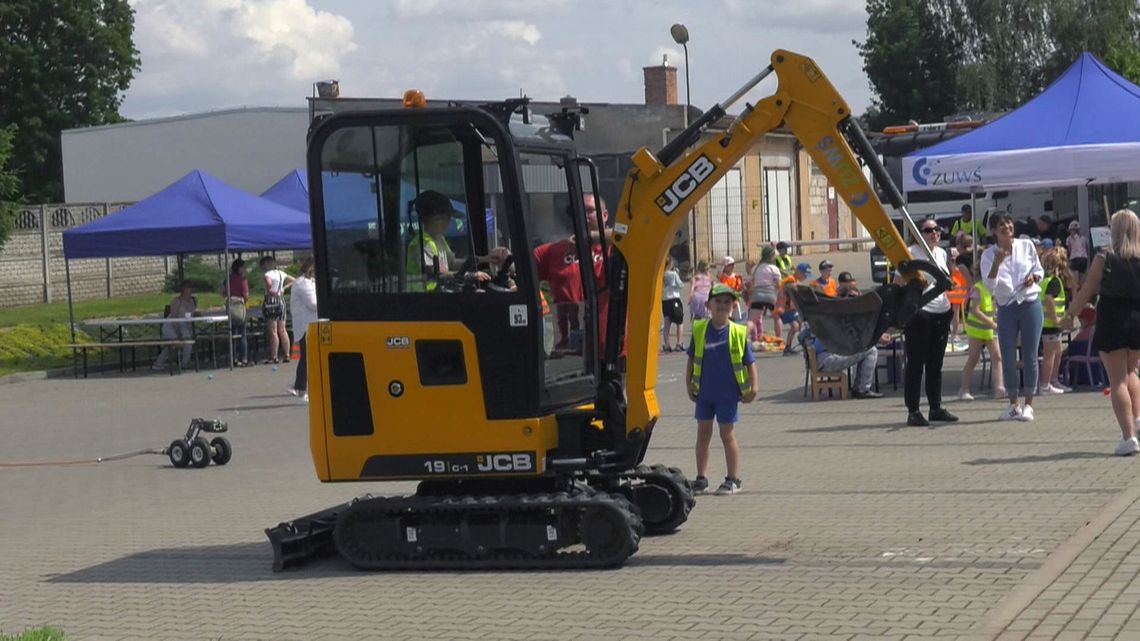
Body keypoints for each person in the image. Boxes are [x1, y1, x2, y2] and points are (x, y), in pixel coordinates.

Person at [1064, 209, 1140, 456]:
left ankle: (1128, 437)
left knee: (1117, 379)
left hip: (1112, 319)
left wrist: (1070, 314)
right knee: (1130, 371)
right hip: (1137, 317)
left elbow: (1087, 290)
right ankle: (1138, 420)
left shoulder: (1104, 257)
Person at [686, 283, 758, 495]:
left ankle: (733, 479)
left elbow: (750, 361)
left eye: (727, 302)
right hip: (705, 393)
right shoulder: (700, 329)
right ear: (708, 304)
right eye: (718, 301)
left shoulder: (737, 331)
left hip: (727, 395)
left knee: (727, 435)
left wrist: (754, 387)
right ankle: (701, 478)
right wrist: (688, 383)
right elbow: (691, 359)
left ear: (733, 305)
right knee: (703, 436)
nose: (723, 305)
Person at [981, 212, 1044, 422]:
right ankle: (1013, 404)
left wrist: (1033, 277)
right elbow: (989, 287)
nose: (1006, 227)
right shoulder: (988, 255)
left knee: (1030, 355)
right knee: (1007, 357)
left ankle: (1029, 404)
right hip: (1007, 307)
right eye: (1001, 225)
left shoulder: (1026, 246)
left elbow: (1039, 271)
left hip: (1029, 303)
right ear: (993, 231)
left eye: (1008, 222)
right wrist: (996, 264)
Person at [533, 193, 608, 348]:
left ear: (604, 215)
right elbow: (519, 267)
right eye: (580, 212)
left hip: (610, 346)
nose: (584, 216)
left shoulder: (616, 248)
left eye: (590, 210)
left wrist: (589, 237)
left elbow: (634, 234)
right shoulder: (555, 250)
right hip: (569, 351)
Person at [903, 218, 958, 426]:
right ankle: (913, 411)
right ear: (918, 234)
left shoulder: (941, 253)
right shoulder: (910, 252)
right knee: (916, 363)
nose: (934, 233)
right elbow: (902, 281)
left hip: (942, 311)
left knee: (936, 363)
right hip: (921, 312)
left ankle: (935, 407)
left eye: (937, 230)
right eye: (928, 230)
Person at [798, 323, 884, 399]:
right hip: (827, 361)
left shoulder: (824, 322)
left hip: (821, 360)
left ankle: (859, 387)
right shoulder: (833, 325)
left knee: (863, 351)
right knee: (871, 350)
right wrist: (876, 338)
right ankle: (863, 389)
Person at [958, 262, 1004, 400]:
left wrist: (995, 319)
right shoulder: (978, 288)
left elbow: (993, 308)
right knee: (973, 358)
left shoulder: (994, 289)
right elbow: (975, 310)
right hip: (977, 330)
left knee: (997, 357)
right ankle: (964, 389)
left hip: (990, 330)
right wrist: (992, 323)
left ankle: (999, 387)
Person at [1039, 247, 1072, 395]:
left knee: (1058, 352)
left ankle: (1053, 380)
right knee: (1050, 354)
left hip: (1050, 325)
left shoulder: (1045, 280)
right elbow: (1048, 299)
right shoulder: (1054, 281)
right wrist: (1056, 318)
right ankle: (1045, 384)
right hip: (1050, 324)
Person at [287, 257, 318, 402]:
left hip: (311, 324)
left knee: (307, 358)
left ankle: (301, 387)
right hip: (306, 325)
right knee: (307, 358)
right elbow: (313, 304)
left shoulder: (309, 282)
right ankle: (300, 389)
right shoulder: (302, 284)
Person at [152, 280, 197, 371]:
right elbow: (174, 318)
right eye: (187, 289)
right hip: (171, 325)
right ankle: (158, 363)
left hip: (184, 325)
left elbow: (191, 313)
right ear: (183, 290)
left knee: (188, 341)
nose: (189, 291)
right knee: (175, 344)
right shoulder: (176, 301)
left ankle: (185, 363)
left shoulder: (193, 301)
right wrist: (178, 333)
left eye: (190, 289)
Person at [260, 255, 295, 364]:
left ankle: (274, 356)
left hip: (271, 301)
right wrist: (284, 288)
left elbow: (269, 286)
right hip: (281, 301)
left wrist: (272, 289)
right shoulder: (281, 273)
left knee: (273, 330)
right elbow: (294, 280)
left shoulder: (267, 274)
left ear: (265, 265)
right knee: (282, 329)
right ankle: (287, 354)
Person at [748, 246, 782, 341]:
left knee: (752, 320)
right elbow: (779, 285)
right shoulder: (774, 268)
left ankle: (743, 338)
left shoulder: (755, 268)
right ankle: (778, 339)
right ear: (771, 256)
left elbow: (752, 282)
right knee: (776, 318)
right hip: (770, 295)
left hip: (757, 295)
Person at [223, 258, 251, 367]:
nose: (244, 269)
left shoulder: (228, 279)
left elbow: (223, 292)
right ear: (239, 268)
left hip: (230, 309)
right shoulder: (242, 280)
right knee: (242, 335)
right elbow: (246, 295)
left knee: (232, 333)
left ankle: (234, 358)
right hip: (239, 309)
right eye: (243, 267)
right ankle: (244, 358)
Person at [779, 263, 811, 355]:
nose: (805, 277)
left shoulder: (793, 279)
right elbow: (791, 291)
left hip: (791, 307)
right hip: (786, 307)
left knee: (800, 323)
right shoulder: (791, 280)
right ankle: (787, 348)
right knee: (795, 326)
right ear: (798, 272)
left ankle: (800, 342)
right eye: (804, 275)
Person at [661, 256, 684, 352]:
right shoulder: (673, 274)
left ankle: (667, 344)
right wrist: (677, 274)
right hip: (674, 299)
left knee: (667, 322)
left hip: (665, 300)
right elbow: (680, 285)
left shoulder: (661, 275)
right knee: (680, 321)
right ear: (670, 264)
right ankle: (679, 343)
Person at [717, 257, 745, 321]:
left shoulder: (736, 276)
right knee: (727, 318)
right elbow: (719, 277)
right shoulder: (722, 277)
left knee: (736, 319)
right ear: (725, 267)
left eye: (733, 265)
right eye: (730, 265)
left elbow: (739, 288)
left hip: (735, 301)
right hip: (726, 301)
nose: (732, 267)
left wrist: (741, 281)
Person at [688, 259, 712, 324]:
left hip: (697, 298)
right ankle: (706, 330)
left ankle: (696, 330)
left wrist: (690, 297)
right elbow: (712, 287)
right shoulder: (709, 277)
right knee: (708, 317)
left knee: (697, 316)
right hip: (706, 298)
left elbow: (692, 288)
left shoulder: (695, 277)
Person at [1067, 220, 1089, 288]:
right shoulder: (1085, 238)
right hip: (1084, 258)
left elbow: (1069, 249)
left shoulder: (1069, 239)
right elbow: (1087, 248)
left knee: (1075, 280)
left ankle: (1075, 296)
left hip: (1074, 258)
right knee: (1082, 278)